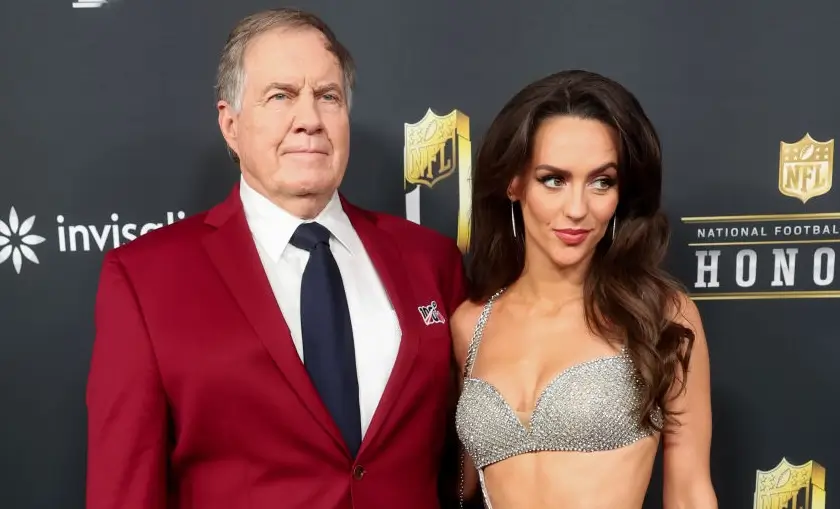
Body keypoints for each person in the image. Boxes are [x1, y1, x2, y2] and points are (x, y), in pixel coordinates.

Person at [85, 8, 466, 509]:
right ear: (230, 124)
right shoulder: (145, 278)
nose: (308, 120)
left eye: (327, 97)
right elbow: (124, 489)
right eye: (281, 95)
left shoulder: (429, 259)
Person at [450, 70, 717, 509]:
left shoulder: (660, 314)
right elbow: (456, 483)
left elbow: (690, 493)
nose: (577, 209)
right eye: (553, 179)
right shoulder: (470, 323)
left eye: (601, 182)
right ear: (513, 183)